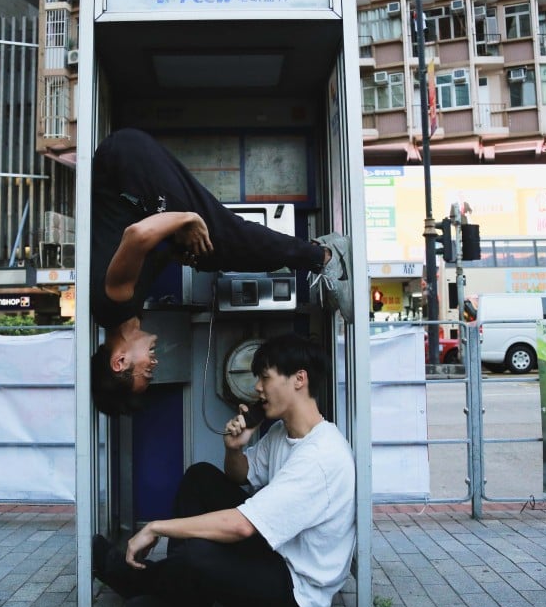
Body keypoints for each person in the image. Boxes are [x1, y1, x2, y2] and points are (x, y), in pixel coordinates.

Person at [91, 333, 356, 607]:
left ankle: (144, 581)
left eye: (265, 378)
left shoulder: (321, 456)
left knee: (199, 551)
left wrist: (156, 527)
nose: (257, 388)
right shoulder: (284, 432)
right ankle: (185, 594)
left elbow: (242, 526)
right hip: (276, 553)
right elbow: (240, 475)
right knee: (200, 477)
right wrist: (234, 448)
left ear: (299, 379)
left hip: (294, 593)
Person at [90, 128, 353, 416]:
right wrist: (179, 254)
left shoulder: (111, 304)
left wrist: (188, 219)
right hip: (129, 180)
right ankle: (318, 253)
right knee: (214, 252)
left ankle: (326, 257)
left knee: (222, 235)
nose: (154, 366)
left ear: (120, 362)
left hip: (124, 166)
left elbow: (137, 235)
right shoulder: (128, 314)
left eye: (146, 372)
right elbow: (143, 255)